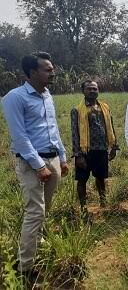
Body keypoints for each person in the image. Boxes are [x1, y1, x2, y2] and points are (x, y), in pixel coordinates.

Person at [1, 52, 69, 279]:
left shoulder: (47, 95)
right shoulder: (15, 97)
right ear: (32, 72)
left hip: (52, 160)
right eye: (47, 69)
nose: (52, 73)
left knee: (44, 210)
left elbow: (53, 129)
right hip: (32, 163)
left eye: (52, 69)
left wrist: (62, 156)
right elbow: (20, 137)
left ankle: (36, 245)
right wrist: (40, 166)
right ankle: (25, 267)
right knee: (35, 211)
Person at [71, 80, 118, 213]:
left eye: (95, 89)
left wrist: (113, 147)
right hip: (85, 151)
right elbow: (74, 133)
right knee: (82, 180)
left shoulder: (104, 107)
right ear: (83, 91)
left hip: (101, 149)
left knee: (101, 178)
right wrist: (78, 155)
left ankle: (103, 202)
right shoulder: (77, 110)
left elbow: (111, 127)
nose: (92, 91)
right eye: (89, 89)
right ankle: (83, 207)